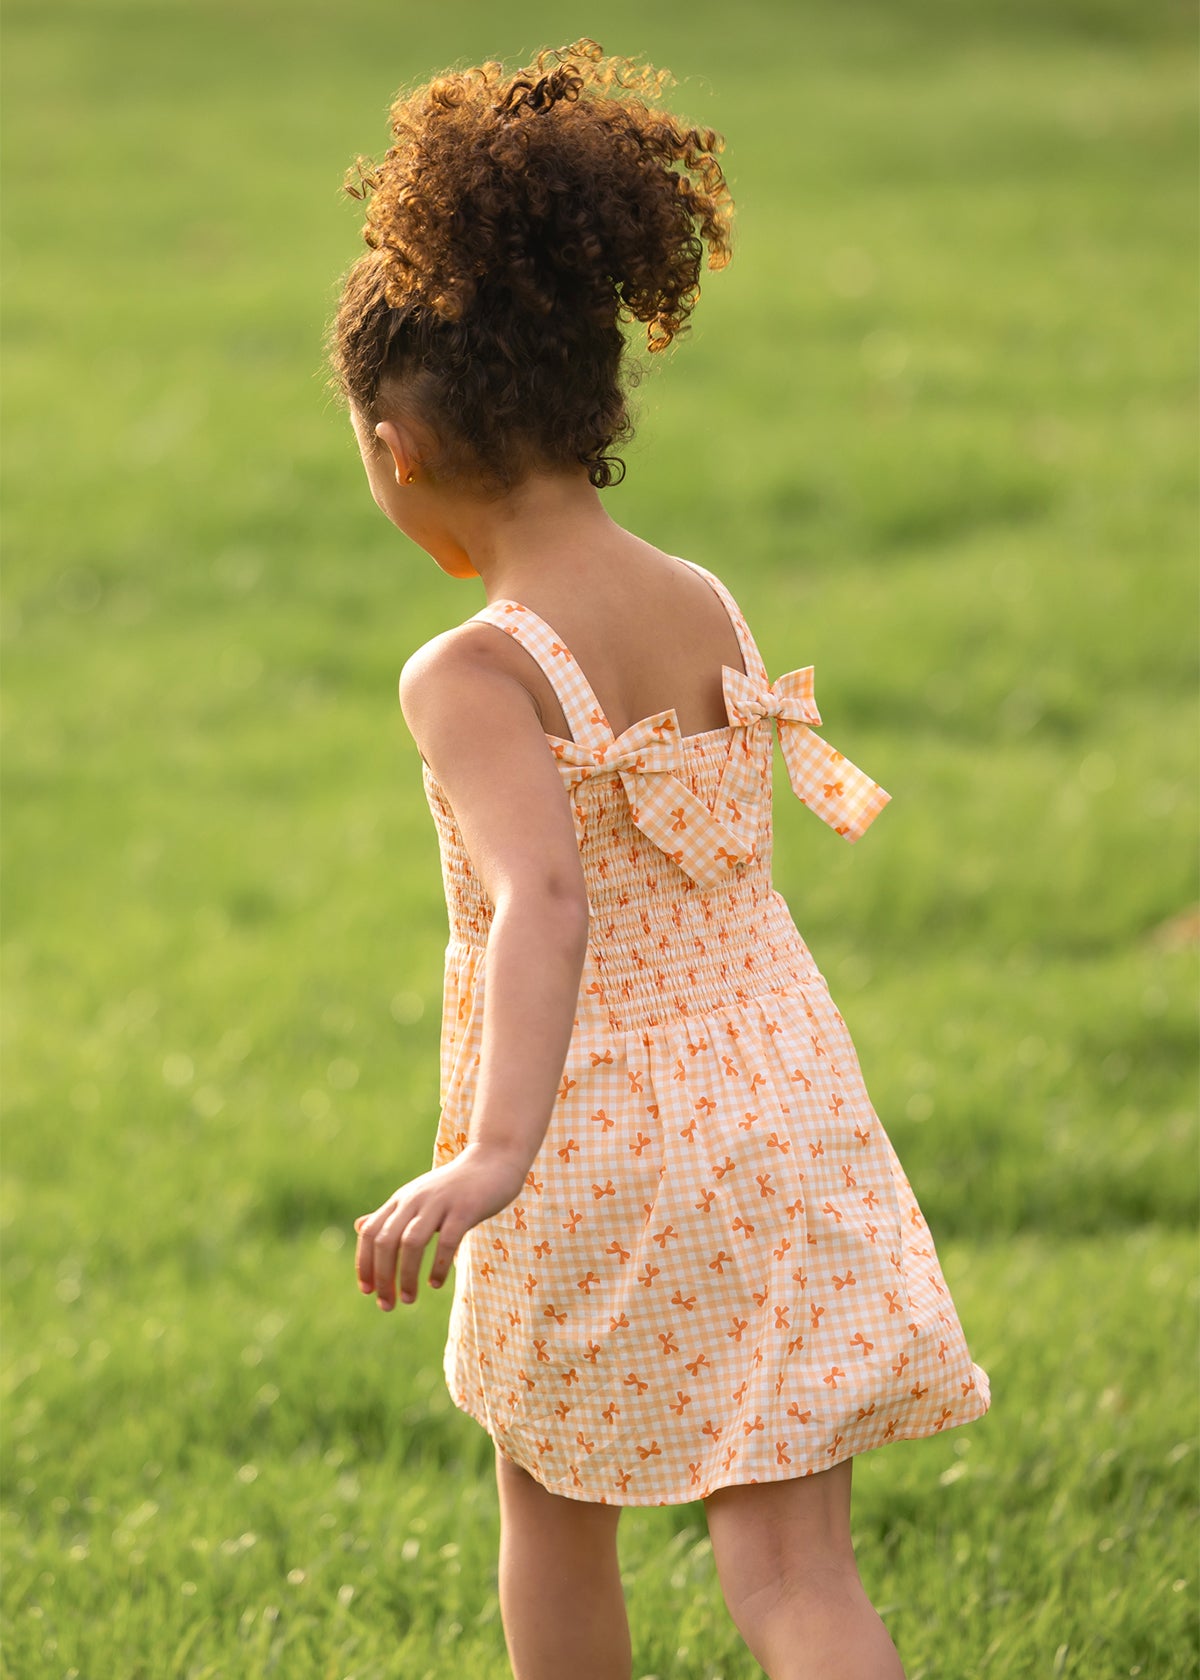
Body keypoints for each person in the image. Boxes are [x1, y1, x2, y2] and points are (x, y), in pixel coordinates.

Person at [336, 39, 990, 1680]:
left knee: (553, 1509)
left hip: (593, 1134)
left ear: (396, 449)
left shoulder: (469, 671)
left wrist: (494, 1157)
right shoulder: (698, 597)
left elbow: (545, 900)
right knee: (794, 1576)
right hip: (782, 1104)